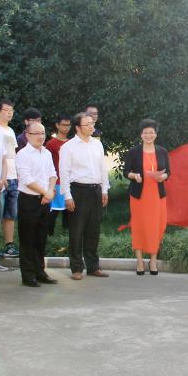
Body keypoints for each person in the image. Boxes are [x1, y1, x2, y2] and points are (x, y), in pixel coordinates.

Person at [59, 111, 110, 280]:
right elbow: (64, 173)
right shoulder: (68, 147)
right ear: (77, 127)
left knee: (93, 230)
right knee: (76, 231)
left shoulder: (97, 144)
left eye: (92, 124)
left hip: (95, 190)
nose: (91, 127)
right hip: (78, 191)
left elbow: (103, 168)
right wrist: (67, 196)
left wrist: (104, 189)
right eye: (87, 124)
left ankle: (93, 266)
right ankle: (76, 268)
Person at [123, 119, 171, 276]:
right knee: (139, 226)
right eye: (145, 132)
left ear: (156, 134)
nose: (148, 135)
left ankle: (153, 261)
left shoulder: (162, 151)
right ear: (141, 134)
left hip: (157, 196)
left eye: (151, 132)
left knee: (156, 226)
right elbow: (126, 172)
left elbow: (168, 171)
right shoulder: (134, 152)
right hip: (139, 197)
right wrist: (134, 176)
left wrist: (163, 176)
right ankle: (139, 261)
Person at [15, 121, 58, 286]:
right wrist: (45, 192)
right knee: (28, 239)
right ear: (27, 135)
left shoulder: (46, 153)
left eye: (43, 133)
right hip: (29, 200)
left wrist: (50, 191)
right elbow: (26, 179)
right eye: (36, 133)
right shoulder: (23, 154)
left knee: (41, 238)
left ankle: (40, 271)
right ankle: (28, 275)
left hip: (45, 200)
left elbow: (52, 174)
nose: (40, 136)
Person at [0, 99, 19, 258]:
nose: (10, 113)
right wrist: (2, 177)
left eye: (11, 110)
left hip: (13, 176)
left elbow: (12, 155)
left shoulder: (11, 130)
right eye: (6, 110)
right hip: (0, 178)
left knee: (10, 213)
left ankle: (9, 245)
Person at [45, 114, 72, 234]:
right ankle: (49, 234)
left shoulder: (71, 143)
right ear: (57, 125)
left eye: (68, 125)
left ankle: (67, 233)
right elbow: (47, 164)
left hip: (69, 180)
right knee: (54, 210)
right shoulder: (51, 144)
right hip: (56, 181)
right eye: (64, 125)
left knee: (69, 209)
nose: (66, 128)